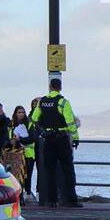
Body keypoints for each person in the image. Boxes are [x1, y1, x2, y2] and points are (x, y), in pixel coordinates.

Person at [30, 78, 80, 207]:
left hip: (48, 139)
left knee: (49, 170)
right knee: (67, 169)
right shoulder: (63, 102)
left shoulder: (43, 102)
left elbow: (34, 118)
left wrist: (43, 128)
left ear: (50, 86)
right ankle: (71, 200)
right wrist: (75, 138)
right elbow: (70, 122)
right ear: (60, 87)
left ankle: (51, 200)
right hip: (62, 138)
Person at [10, 105, 34, 202]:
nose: (21, 114)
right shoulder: (11, 125)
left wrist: (21, 139)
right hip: (16, 153)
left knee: (28, 174)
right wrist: (12, 141)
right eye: (19, 112)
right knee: (17, 174)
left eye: (23, 112)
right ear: (15, 113)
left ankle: (27, 193)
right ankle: (19, 194)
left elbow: (33, 138)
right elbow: (8, 137)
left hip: (28, 153)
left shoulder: (29, 124)